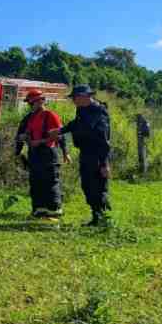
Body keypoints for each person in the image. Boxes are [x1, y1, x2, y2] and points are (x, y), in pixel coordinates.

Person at [50, 85, 112, 226]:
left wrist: (104, 164)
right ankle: (96, 216)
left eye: (75, 98)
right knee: (87, 185)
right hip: (86, 152)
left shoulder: (99, 112)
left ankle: (101, 218)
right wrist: (61, 130)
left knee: (97, 186)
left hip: (97, 154)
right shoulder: (82, 109)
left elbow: (104, 140)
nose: (73, 101)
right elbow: (76, 124)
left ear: (84, 96)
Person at [15, 89, 70, 218]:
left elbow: (59, 136)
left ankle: (54, 211)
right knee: (36, 182)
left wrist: (65, 152)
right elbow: (22, 134)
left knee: (50, 182)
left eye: (32, 103)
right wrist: (22, 140)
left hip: (48, 153)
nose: (31, 105)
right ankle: (39, 210)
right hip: (34, 154)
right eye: (29, 103)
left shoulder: (50, 115)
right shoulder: (29, 118)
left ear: (41, 101)